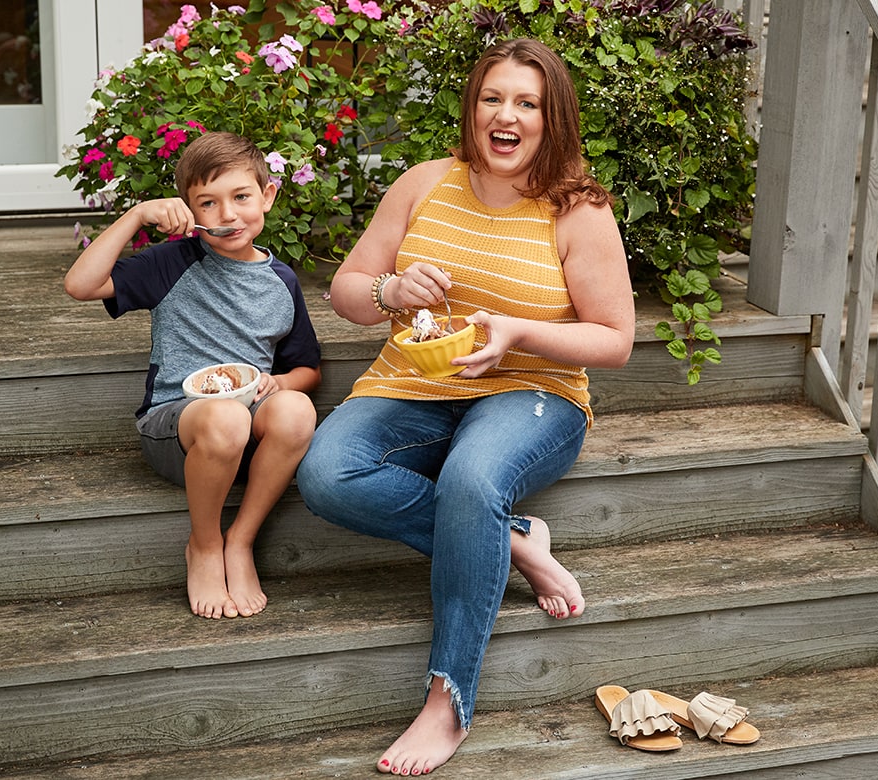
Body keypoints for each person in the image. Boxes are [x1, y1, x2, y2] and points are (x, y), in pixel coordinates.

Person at [295, 38, 635, 776]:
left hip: (533, 393)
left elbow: (613, 340)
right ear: (472, 108)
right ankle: (516, 542)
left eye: (526, 103)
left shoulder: (578, 210)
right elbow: (348, 290)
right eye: (492, 98)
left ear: (552, 119)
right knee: (324, 473)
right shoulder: (424, 184)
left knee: (471, 481)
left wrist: (517, 331)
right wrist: (390, 291)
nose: (505, 115)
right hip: (410, 386)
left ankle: (447, 700)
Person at [64, 131, 321, 620]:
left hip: (250, 432)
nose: (228, 215)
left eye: (241, 197)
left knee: (296, 410)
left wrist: (283, 383)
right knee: (224, 418)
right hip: (177, 432)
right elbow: (80, 285)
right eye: (208, 203)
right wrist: (137, 215)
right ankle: (203, 546)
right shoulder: (171, 263)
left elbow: (306, 366)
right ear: (189, 212)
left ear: (266, 196)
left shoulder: (281, 281)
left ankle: (239, 541)